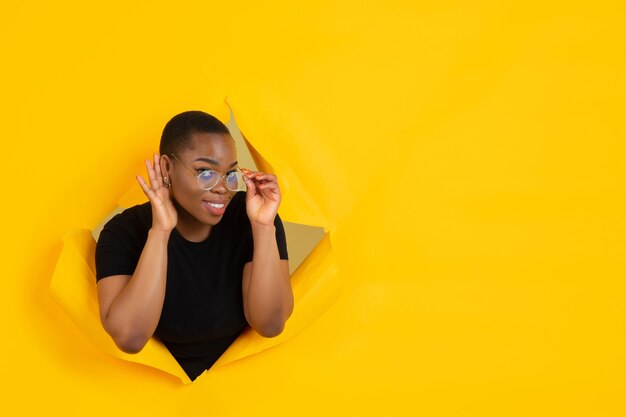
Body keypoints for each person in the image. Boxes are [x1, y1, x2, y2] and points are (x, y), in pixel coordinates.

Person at [95, 111, 293, 381]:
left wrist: (263, 227)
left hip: (245, 384)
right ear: (166, 168)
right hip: (150, 391)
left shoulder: (253, 217)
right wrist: (161, 231)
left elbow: (269, 324)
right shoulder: (123, 233)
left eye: (230, 173)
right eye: (205, 172)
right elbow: (130, 337)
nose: (223, 188)